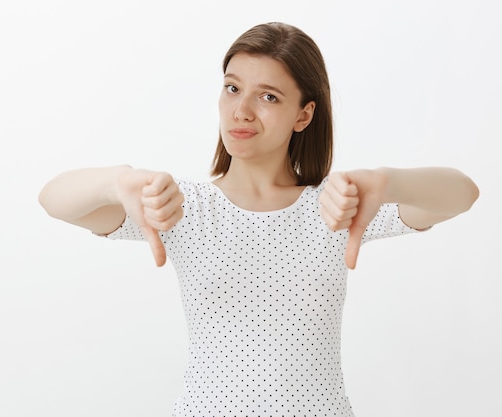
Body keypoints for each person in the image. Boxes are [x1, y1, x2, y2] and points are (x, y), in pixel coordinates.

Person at [39, 22, 478, 417]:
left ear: (304, 114)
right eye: (232, 88)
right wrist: (118, 182)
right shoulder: (180, 206)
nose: (241, 110)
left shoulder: (336, 207)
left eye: (268, 96)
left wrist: (387, 182)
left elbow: (462, 194)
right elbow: (54, 200)